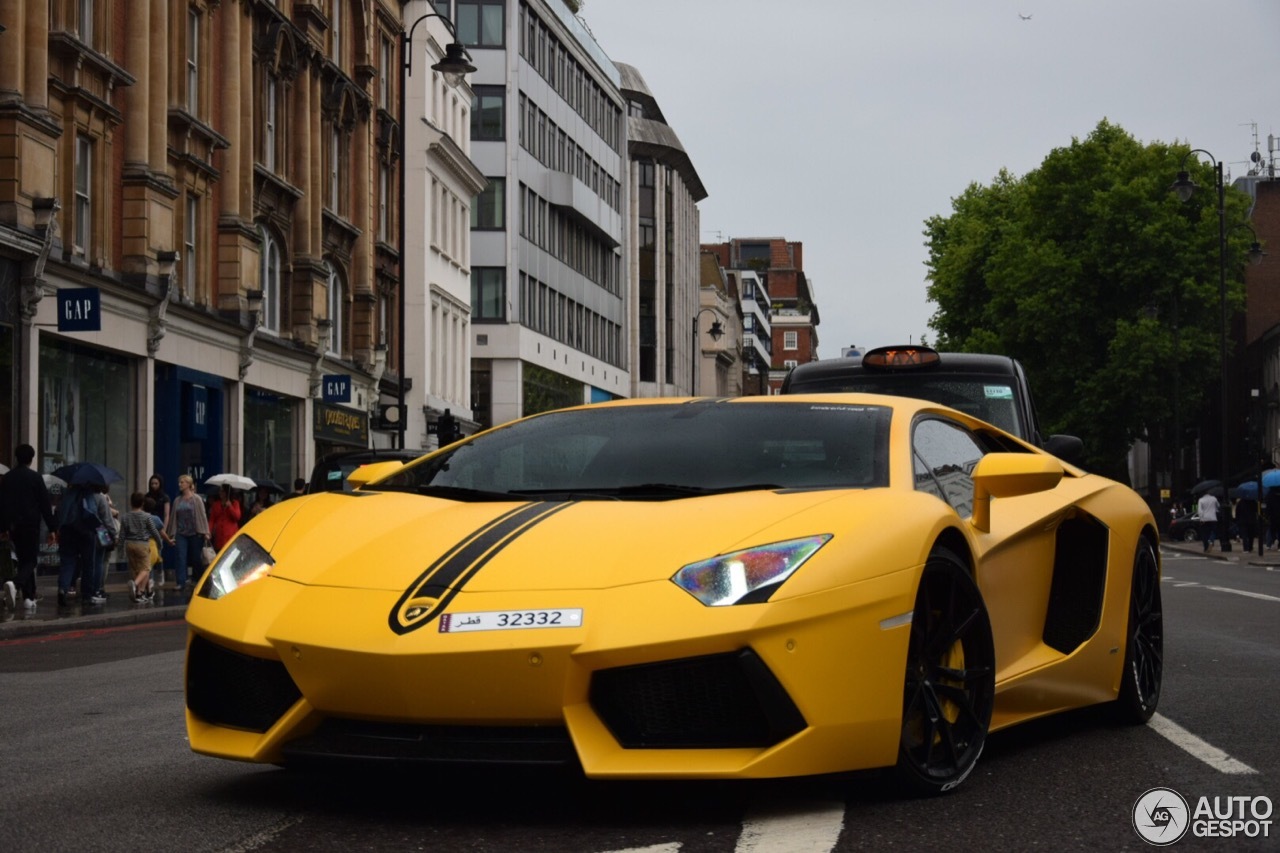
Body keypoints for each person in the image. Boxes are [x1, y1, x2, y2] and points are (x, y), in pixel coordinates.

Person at [0, 444, 58, 610]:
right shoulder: (35, 477)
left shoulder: (8, 478)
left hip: (13, 526)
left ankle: (29, 597)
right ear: (31, 459)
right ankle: (15, 584)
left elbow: (2, 504)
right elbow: (45, 505)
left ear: (16, 457)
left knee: (23, 559)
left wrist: (3, 528)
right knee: (31, 560)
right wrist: (52, 528)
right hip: (30, 525)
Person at [120, 491, 170, 603]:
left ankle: (139, 594)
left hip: (129, 544)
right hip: (142, 544)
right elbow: (154, 531)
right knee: (146, 568)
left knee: (135, 569)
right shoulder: (146, 517)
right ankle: (135, 584)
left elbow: (122, 534)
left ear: (130, 503)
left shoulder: (125, 517)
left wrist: (120, 549)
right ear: (142, 503)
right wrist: (160, 543)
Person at [165, 474, 211, 592]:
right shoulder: (177, 500)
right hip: (181, 533)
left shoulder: (197, 499)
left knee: (196, 558)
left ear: (189, 485)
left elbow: (202, 515)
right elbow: (174, 517)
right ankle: (181, 581)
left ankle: (197, 580)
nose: (180, 484)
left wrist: (206, 531)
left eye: (183, 482)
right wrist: (172, 533)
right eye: (180, 482)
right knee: (180, 556)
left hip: (195, 533)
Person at [208, 484, 242, 551]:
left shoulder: (235, 503)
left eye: (222, 491)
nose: (220, 493)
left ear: (227, 492)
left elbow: (237, 517)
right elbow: (212, 520)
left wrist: (230, 507)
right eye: (220, 491)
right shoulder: (216, 504)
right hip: (219, 536)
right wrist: (209, 531)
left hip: (230, 534)